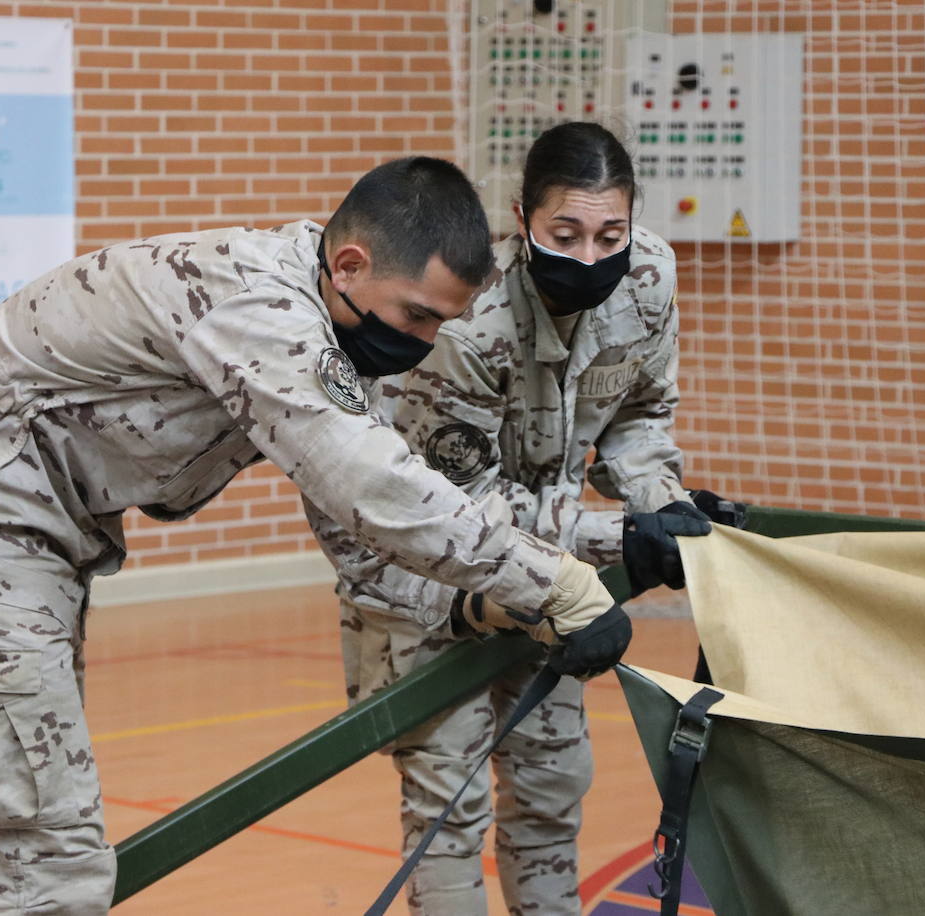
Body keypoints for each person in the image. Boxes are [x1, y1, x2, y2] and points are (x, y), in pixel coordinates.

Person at [0, 156, 631, 915]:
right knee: (41, 864)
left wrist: (486, 607)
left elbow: (365, 546)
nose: (424, 340)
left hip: (22, 527)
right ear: (350, 265)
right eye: (417, 315)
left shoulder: (331, 329)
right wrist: (557, 584)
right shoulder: (258, 305)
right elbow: (371, 486)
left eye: (442, 322)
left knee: (30, 832)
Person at [305, 123, 715, 914]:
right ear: (524, 221)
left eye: (610, 235)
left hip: (548, 585)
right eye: (565, 234)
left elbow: (639, 416)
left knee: (551, 791)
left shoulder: (648, 280)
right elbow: (462, 513)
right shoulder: (466, 325)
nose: (590, 256)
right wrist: (620, 539)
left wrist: (660, 505)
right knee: (447, 815)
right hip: (431, 580)